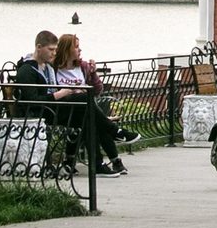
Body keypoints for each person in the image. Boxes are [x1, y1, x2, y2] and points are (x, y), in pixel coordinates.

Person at [14, 29, 127, 176]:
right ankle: (114, 131)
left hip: (53, 110)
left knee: (87, 117)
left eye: (55, 49)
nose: (54, 53)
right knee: (83, 100)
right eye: (51, 49)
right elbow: (31, 101)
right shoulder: (27, 70)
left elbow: (96, 88)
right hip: (39, 113)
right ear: (39, 47)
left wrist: (71, 90)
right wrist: (58, 95)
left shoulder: (47, 67)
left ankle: (97, 164)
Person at [52, 33, 143, 147]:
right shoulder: (53, 68)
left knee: (93, 121)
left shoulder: (83, 66)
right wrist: (72, 91)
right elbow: (53, 91)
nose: (80, 49)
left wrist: (93, 74)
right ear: (66, 49)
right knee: (94, 119)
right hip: (65, 109)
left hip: (83, 109)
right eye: (76, 46)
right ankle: (115, 133)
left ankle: (106, 160)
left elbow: (97, 91)